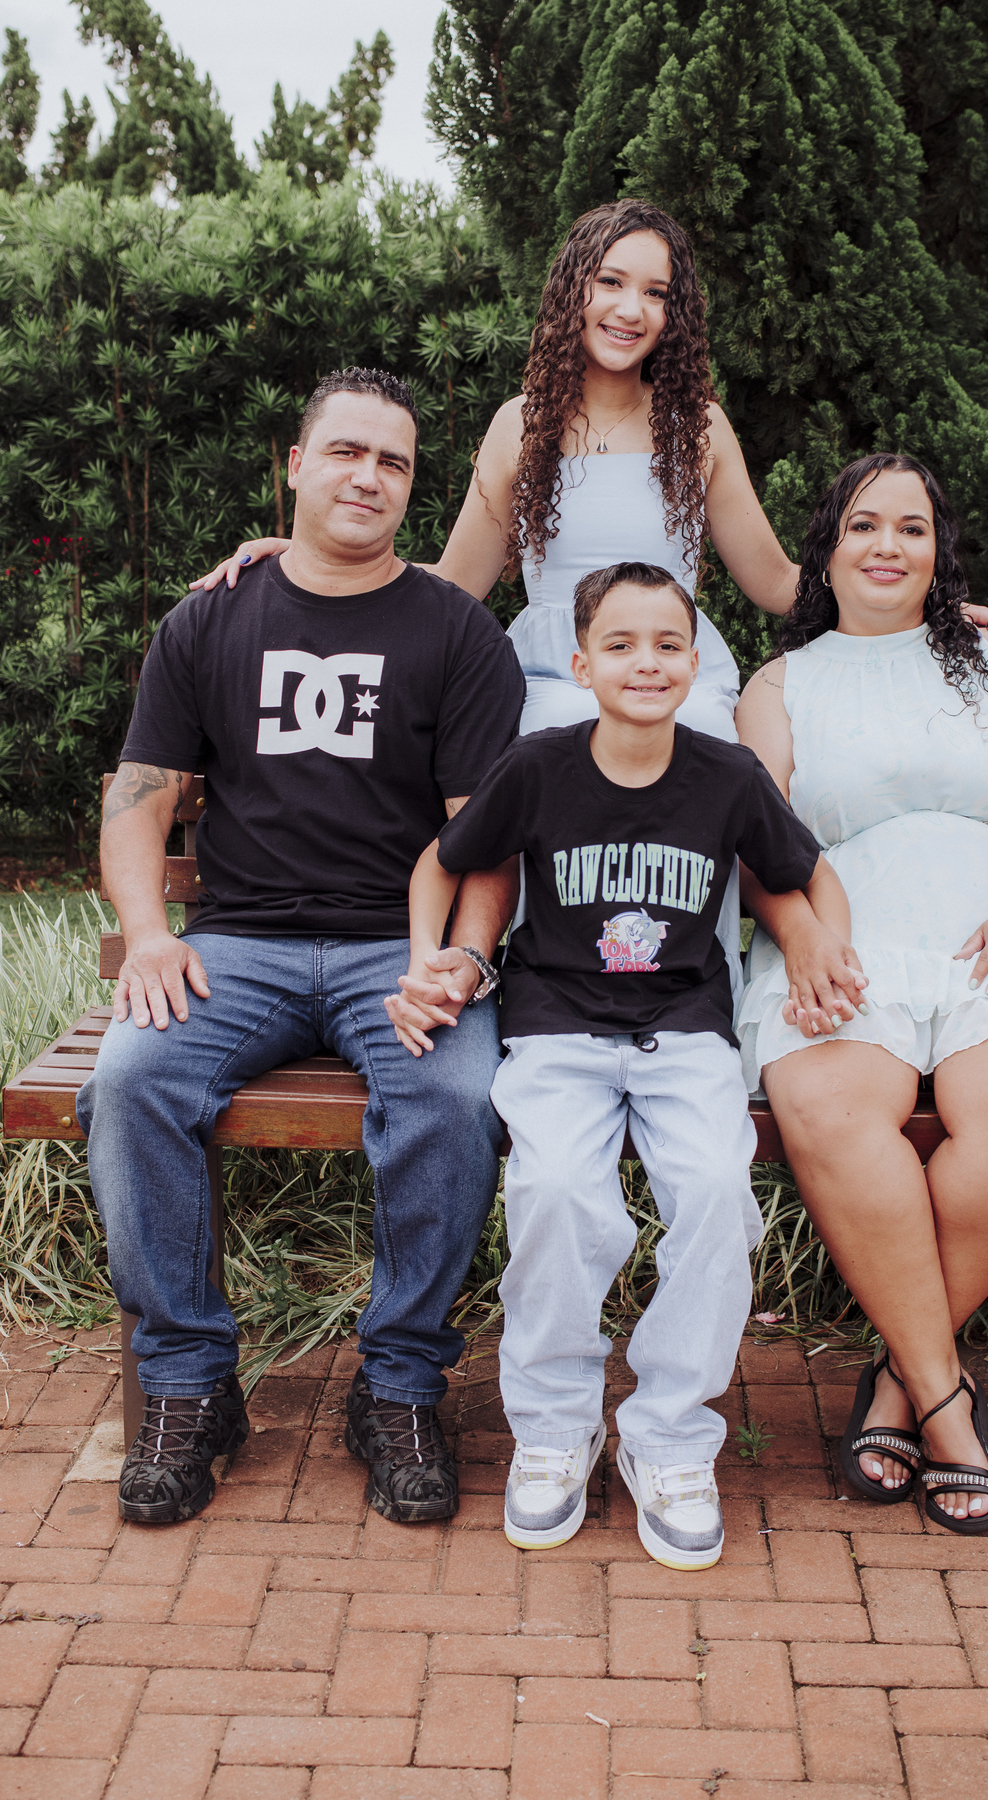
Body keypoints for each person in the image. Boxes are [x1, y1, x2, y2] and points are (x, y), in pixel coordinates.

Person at [193, 200, 988, 1002]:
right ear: (574, 291)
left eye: (656, 293)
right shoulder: (521, 425)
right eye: (612, 282)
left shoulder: (697, 427)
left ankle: (700, 999)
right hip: (556, 671)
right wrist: (308, 557)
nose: (632, 309)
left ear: (675, 315)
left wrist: (930, 600)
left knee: (708, 756)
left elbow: (778, 582)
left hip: (672, 668)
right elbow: (452, 583)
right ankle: (544, 998)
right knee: (538, 758)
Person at [76, 366, 526, 1528]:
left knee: (454, 1094)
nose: (368, 476)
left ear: (412, 487)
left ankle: (400, 1388)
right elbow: (140, 797)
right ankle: (189, 1386)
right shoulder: (211, 620)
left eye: (393, 462)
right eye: (346, 452)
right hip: (241, 949)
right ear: (295, 465)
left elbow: (485, 838)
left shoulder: (456, 632)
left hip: (397, 949)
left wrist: (464, 961)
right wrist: (148, 935)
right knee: (132, 1079)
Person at [389, 561, 862, 1569]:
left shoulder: (727, 775)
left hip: (684, 1033)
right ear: (581, 665)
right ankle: (556, 1428)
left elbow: (809, 873)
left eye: (667, 644)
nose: (646, 663)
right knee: (557, 1192)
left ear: (694, 664)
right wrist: (432, 957)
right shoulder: (537, 766)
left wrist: (827, 949)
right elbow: (443, 859)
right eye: (621, 645)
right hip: (557, 1030)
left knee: (716, 1196)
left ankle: (670, 1440)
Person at [734, 453, 988, 1536]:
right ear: (826, 549)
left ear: (938, 551)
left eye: (911, 528)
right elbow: (758, 832)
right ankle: (947, 1404)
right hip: (841, 938)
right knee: (828, 1107)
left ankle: (901, 1384)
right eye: (863, 525)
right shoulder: (780, 685)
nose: (887, 546)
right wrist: (803, 935)